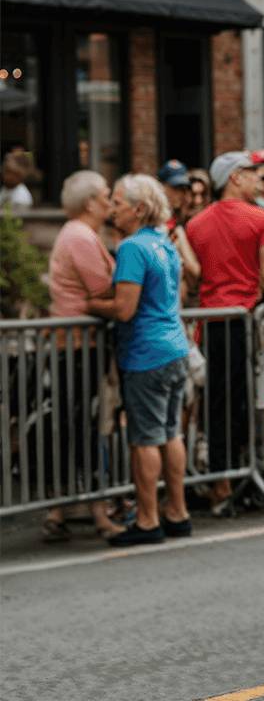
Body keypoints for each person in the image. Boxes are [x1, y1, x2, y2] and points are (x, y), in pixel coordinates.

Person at [88, 175, 193, 546]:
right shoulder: (163, 242)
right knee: (170, 433)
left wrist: (90, 304)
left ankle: (148, 520)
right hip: (175, 346)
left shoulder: (132, 248)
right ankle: (177, 512)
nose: (112, 209)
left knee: (145, 439)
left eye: (117, 202)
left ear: (138, 208)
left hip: (146, 353)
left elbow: (124, 308)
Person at [186, 152, 264, 512]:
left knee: (215, 403)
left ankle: (222, 481)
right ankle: (240, 476)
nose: (260, 180)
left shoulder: (196, 224)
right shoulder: (261, 218)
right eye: (254, 174)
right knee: (246, 399)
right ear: (235, 178)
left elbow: (193, 275)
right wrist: (254, 294)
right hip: (244, 319)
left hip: (210, 322)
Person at [43, 171, 122, 541]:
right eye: (107, 194)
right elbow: (104, 288)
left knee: (75, 427)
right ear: (90, 202)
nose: (111, 200)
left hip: (75, 344)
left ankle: (62, 508)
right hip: (78, 346)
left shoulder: (78, 234)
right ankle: (93, 510)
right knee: (84, 428)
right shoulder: (80, 236)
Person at [157, 159, 201, 294]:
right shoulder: (155, 222)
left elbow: (195, 273)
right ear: (161, 187)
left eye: (183, 189)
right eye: (175, 188)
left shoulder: (183, 221)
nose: (180, 194)